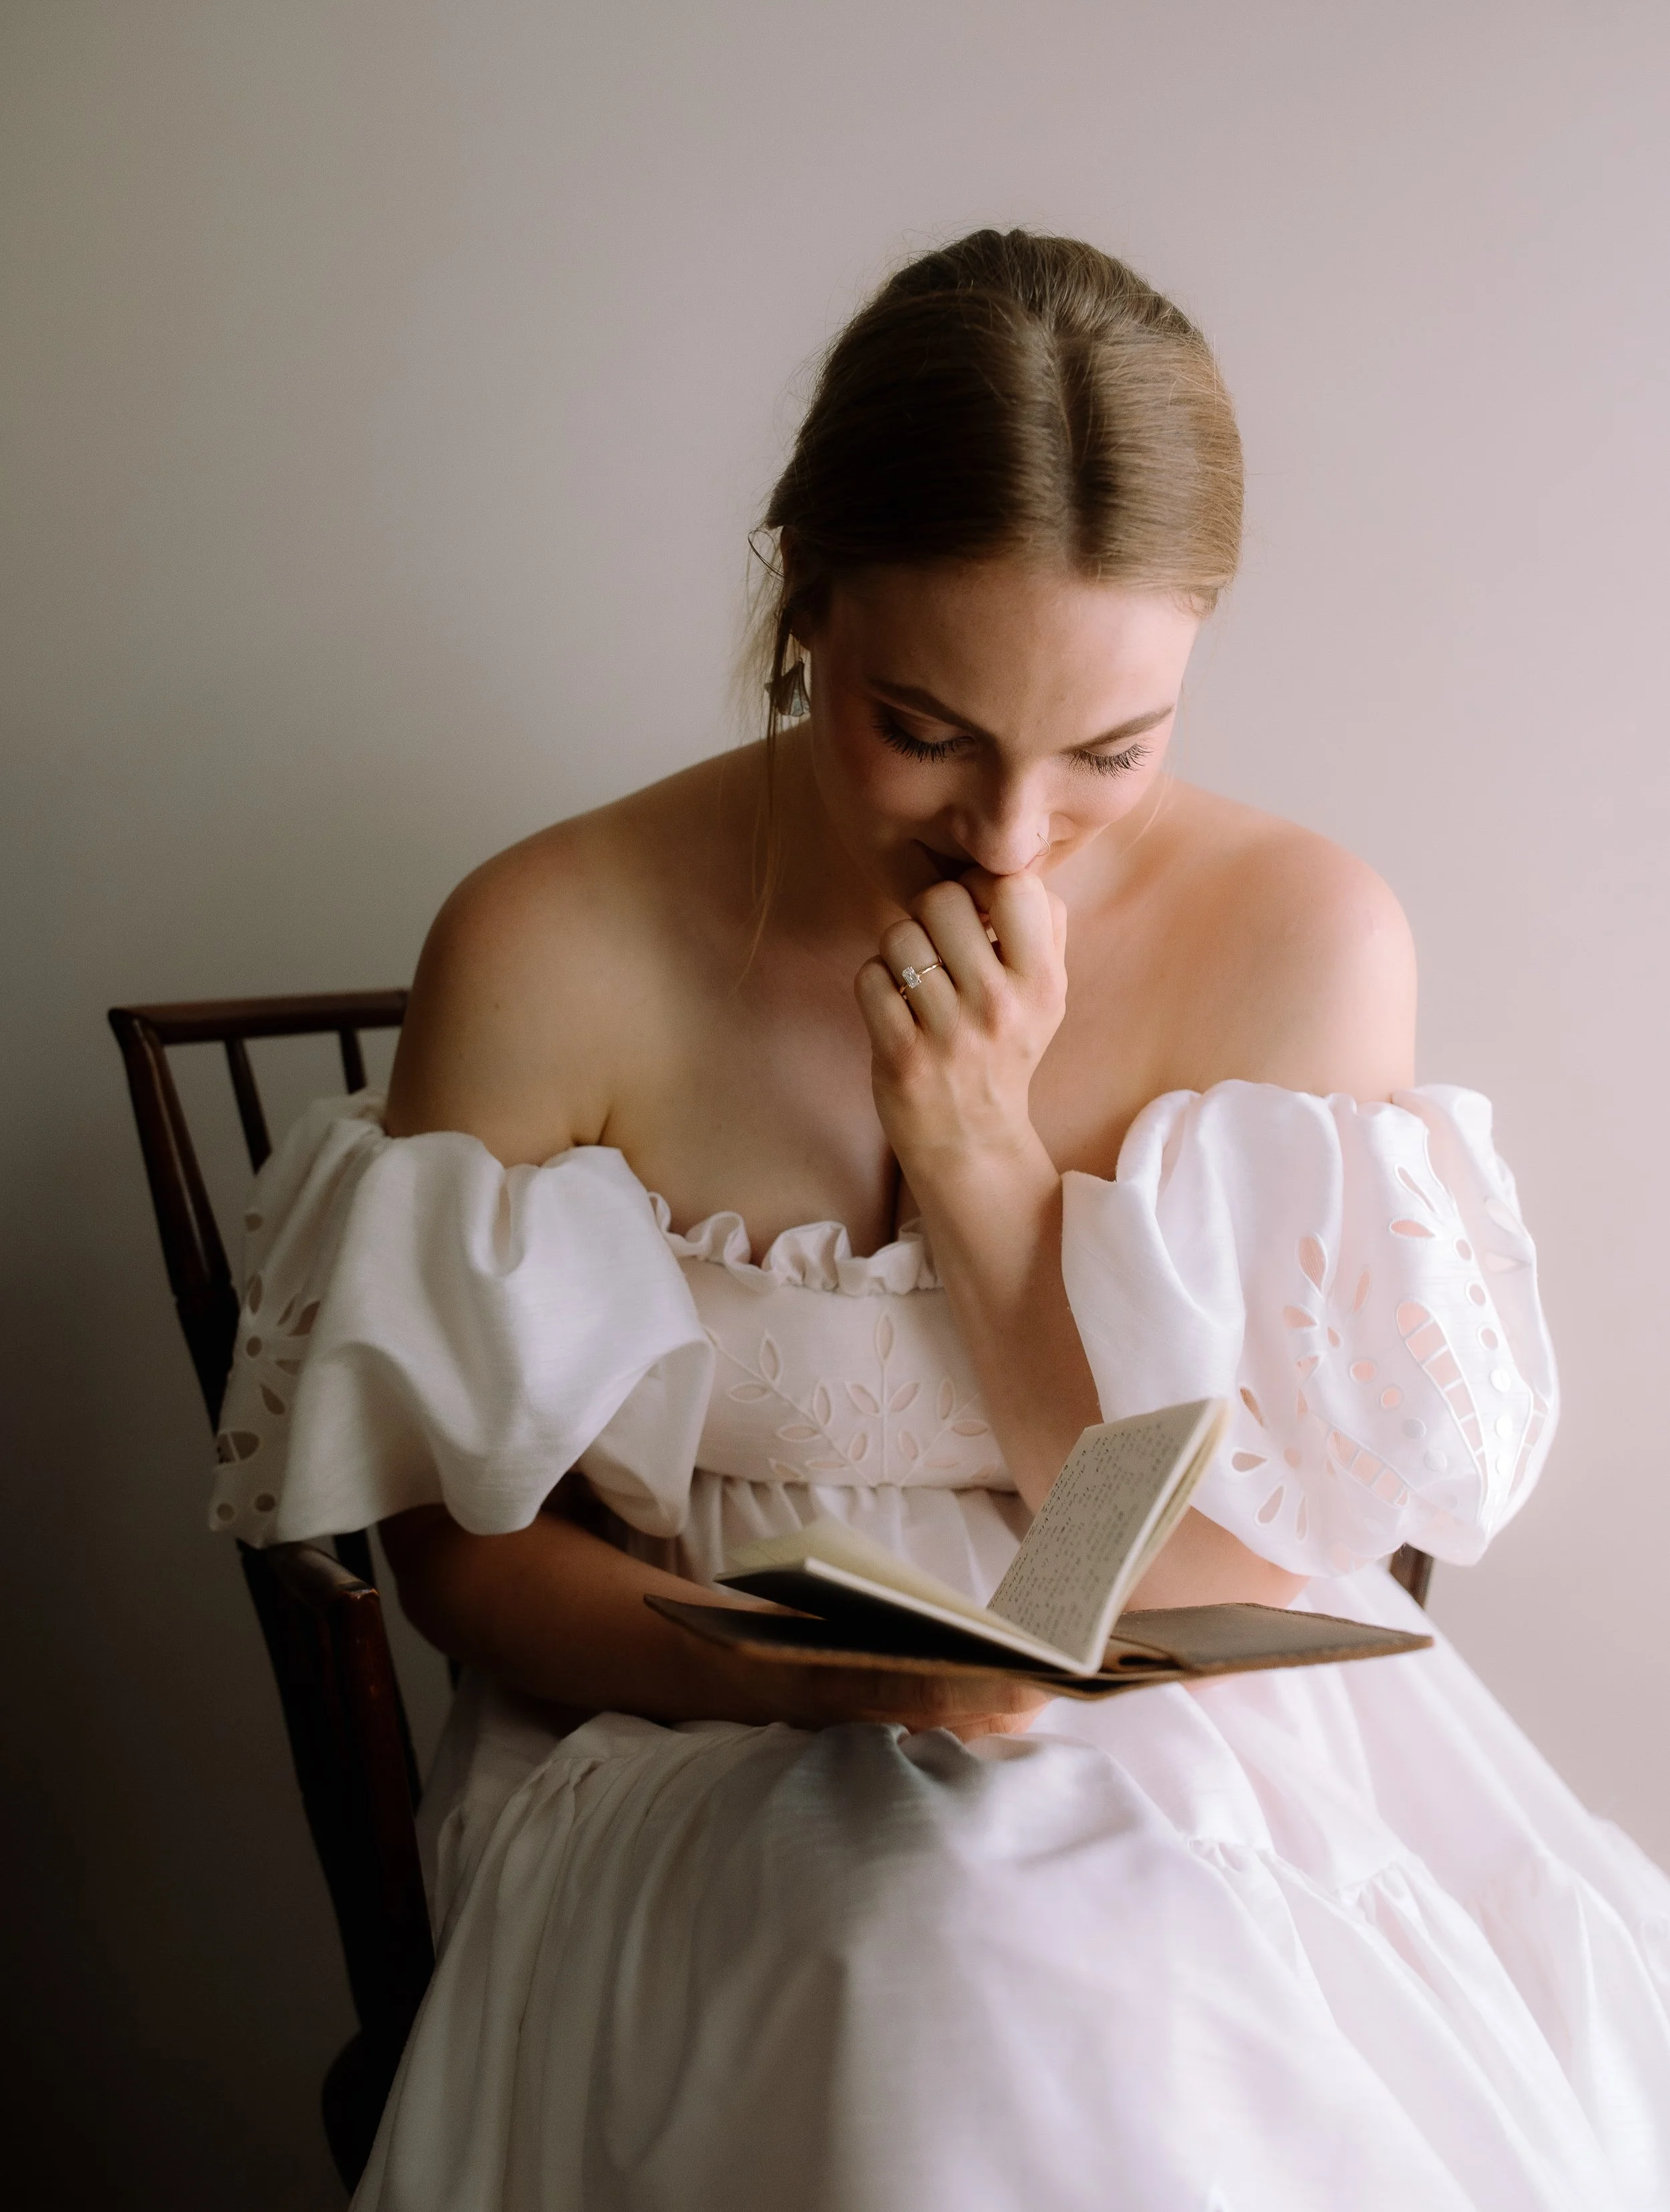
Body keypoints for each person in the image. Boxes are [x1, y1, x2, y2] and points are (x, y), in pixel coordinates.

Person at [213, 232, 1670, 2211]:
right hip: (675, 1721)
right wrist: (795, 1675)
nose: (1006, 838)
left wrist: (985, 1171)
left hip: (1195, 1722)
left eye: (1107, 753)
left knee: (1120, 1976)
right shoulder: (552, 937)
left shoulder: (1301, 939)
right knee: (932, 1946)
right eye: (923, 729)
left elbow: (1235, 1560)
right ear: (801, 596)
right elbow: (461, 1565)